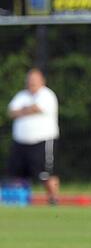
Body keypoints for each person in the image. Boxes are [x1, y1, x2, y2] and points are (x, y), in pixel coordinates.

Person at [6, 68, 60, 205]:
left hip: (42, 140)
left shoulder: (47, 95)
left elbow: (37, 108)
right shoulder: (21, 95)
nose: (31, 83)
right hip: (21, 141)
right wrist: (28, 110)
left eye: (34, 80)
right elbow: (11, 112)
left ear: (42, 81)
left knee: (46, 173)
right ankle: (21, 200)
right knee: (17, 173)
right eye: (29, 80)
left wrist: (22, 111)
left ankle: (53, 199)